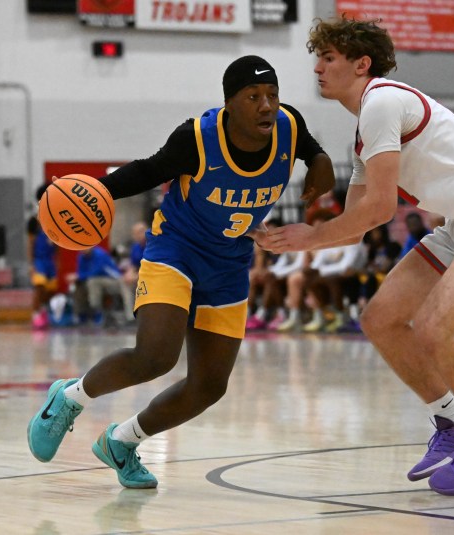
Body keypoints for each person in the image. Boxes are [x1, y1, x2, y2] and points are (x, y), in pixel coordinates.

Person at [259, 17, 454, 496]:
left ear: (361, 64)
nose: (317, 68)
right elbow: (356, 225)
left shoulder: (383, 100)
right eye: (318, 57)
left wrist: (311, 237)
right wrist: (295, 237)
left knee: (434, 327)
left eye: (329, 58)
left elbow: (380, 207)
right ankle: (452, 423)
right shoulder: (364, 134)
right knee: (380, 318)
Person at [27, 55, 334, 489]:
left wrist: (320, 158)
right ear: (229, 105)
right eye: (253, 97)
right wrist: (97, 190)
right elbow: (149, 170)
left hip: (229, 263)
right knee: (156, 356)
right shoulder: (197, 138)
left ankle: (122, 441)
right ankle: (69, 398)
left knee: (210, 385)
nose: (266, 106)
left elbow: (307, 146)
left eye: (272, 95)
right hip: (177, 249)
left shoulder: (288, 124)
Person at [69, 245, 134, 326]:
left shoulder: (99, 254)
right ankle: (80, 315)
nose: (83, 249)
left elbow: (96, 271)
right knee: (78, 286)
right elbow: (81, 272)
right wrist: (77, 277)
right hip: (98, 282)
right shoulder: (81, 256)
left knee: (92, 282)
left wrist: (78, 276)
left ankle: (97, 311)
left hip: (114, 280)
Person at [27, 185, 58, 329]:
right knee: (39, 287)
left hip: (50, 260)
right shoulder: (33, 221)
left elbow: (58, 243)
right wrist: (31, 264)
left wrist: (58, 262)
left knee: (49, 291)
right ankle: (35, 315)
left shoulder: (56, 218)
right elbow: (30, 244)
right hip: (39, 260)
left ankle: (44, 313)